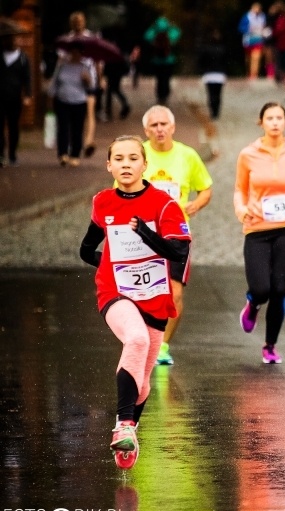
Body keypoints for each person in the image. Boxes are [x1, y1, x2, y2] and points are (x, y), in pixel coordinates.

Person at [79, 135, 192, 469]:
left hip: (155, 296)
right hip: (115, 292)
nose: (126, 164)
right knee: (137, 339)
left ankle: (129, 430)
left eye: (132, 158)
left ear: (145, 164)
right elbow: (86, 251)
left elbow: (179, 252)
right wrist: (112, 265)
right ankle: (124, 425)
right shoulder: (102, 202)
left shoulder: (164, 204)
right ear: (110, 165)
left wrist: (146, 233)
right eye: (119, 159)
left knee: (142, 381)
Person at [234, 102, 285, 364]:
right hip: (257, 227)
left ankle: (270, 345)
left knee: (280, 289)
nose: (274, 122)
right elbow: (239, 189)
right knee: (262, 288)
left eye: (279, 117)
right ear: (261, 122)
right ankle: (253, 304)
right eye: (269, 118)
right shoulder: (248, 154)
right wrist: (241, 209)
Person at [140, 105, 213, 364]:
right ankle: (142, 339)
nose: (159, 129)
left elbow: (205, 188)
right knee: (144, 292)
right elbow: (121, 189)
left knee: (175, 294)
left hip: (176, 235)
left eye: (164, 124)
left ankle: (162, 346)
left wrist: (196, 204)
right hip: (143, 234)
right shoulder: (138, 155)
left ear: (172, 127)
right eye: (154, 125)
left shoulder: (187, 155)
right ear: (146, 130)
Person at [48, 40, 96, 167]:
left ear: (81, 54)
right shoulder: (62, 66)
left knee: (77, 129)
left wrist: (87, 80)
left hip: (79, 101)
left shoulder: (85, 67)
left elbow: (92, 86)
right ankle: (63, 153)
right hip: (62, 100)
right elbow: (55, 82)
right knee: (63, 127)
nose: (75, 55)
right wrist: (51, 95)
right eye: (72, 52)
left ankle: (75, 155)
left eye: (77, 52)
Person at [64, 11, 101, 157]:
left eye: (80, 22)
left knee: (90, 110)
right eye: (75, 23)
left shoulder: (91, 39)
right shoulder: (67, 40)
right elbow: (63, 60)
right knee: (75, 115)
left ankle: (89, 141)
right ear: (71, 24)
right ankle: (75, 142)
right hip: (73, 81)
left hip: (89, 79)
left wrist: (100, 78)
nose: (78, 25)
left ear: (84, 22)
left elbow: (97, 60)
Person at [0, 31, 32, 167]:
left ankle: (12, 154)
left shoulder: (23, 58)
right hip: (1, 97)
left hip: (15, 97)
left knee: (14, 126)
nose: (13, 41)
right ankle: (1, 154)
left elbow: (27, 78)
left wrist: (27, 95)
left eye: (15, 39)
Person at [144, 16, 181, 105]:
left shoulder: (154, 34)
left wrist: (153, 27)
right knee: (166, 79)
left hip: (157, 61)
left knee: (159, 79)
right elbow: (178, 32)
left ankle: (160, 95)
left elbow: (146, 36)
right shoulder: (170, 35)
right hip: (168, 61)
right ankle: (165, 95)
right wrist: (171, 26)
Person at [198, 28, 227, 121]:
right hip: (220, 75)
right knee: (218, 94)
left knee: (211, 94)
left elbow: (201, 61)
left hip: (209, 75)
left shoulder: (206, 49)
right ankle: (216, 112)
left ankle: (212, 112)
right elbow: (226, 62)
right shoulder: (223, 49)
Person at [239, 3, 267, 80]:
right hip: (248, 40)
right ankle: (248, 72)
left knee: (256, 57)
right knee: (248, 58)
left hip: (258, 39)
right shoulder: (247, 16)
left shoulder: (263, 17)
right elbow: (241, 27)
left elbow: (265, 26)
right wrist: (248, 30)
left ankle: (254, 74)